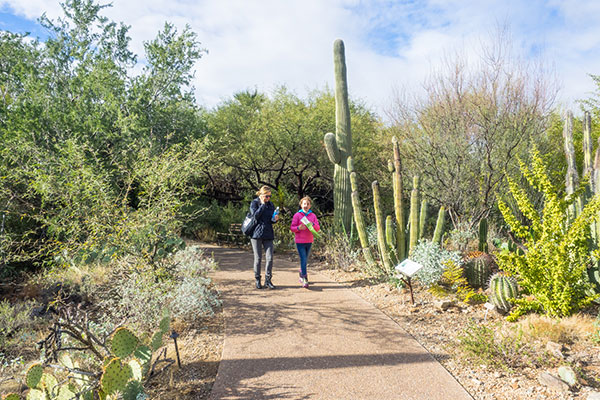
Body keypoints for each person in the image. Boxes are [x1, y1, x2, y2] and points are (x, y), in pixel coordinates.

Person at [249, 186, 279, 289]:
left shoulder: (271, 205)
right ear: (261, 195)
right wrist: (262, 205)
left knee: (270, 258)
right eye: (267, 196)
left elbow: (270, 220)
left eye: (270, 196)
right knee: (258, 258)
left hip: (268, 233)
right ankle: (257, 279)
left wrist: (275, 219)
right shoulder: (254, 203)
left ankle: (268, 280)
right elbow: (255, 216)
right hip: (256, 234)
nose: (268, 198)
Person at [290, 196, 320, 288]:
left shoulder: (313, 216)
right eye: (304, 204)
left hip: (309, 241)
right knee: (303, 259)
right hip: (300, 241)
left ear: (310, 205)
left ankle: (301, 272)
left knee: (305, 260)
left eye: (307, 204)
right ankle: (304, 278)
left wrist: (313, 224)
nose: (306, 205)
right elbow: (292, 228)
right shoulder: (297, 215)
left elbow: (318, 228)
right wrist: (299, 228)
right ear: (301, 205)